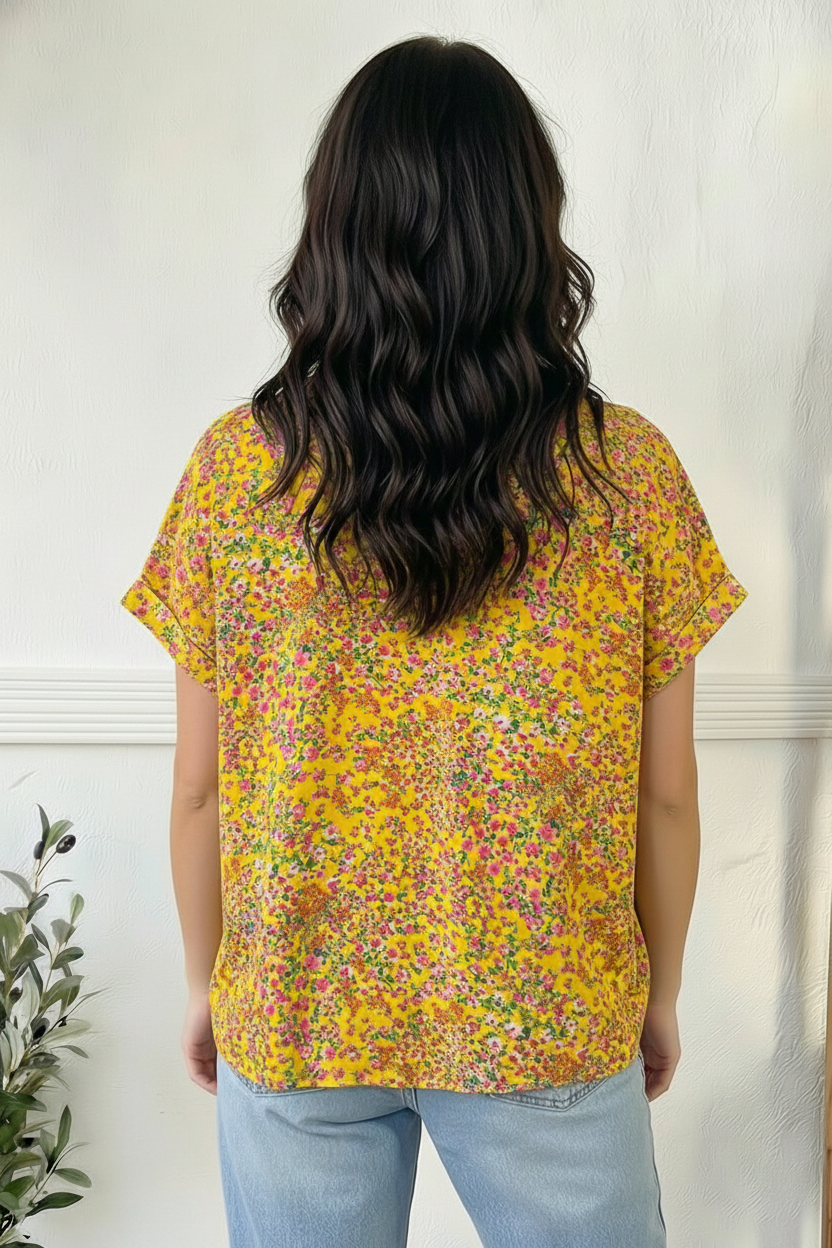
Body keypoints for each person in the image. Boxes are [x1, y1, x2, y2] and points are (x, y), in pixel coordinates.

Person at [120, 33, 749, 1248]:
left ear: (334, 224)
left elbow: (198, 789)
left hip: (297, 1011)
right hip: (547, 1012)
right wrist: (658, 994)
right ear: (528, 227)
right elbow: (665, 795)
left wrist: (210, 984)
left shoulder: (233, 474)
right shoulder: (627, 475)